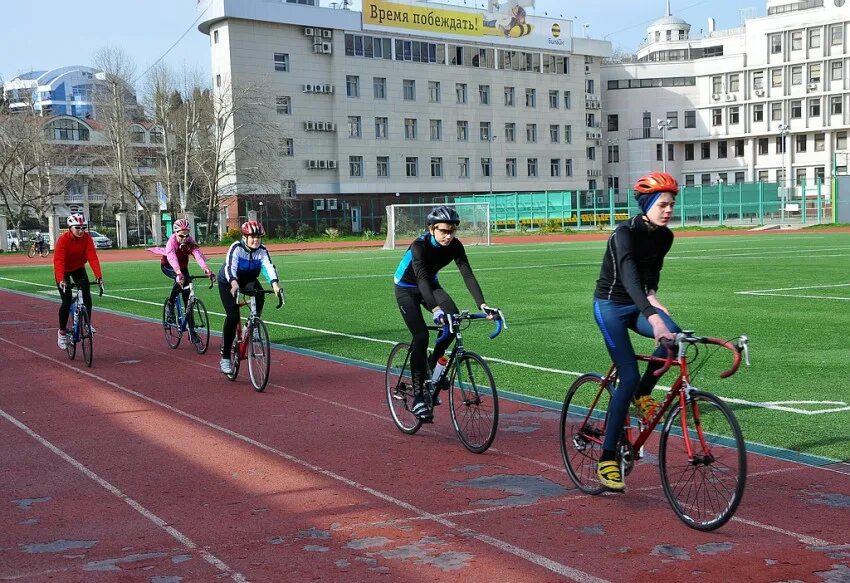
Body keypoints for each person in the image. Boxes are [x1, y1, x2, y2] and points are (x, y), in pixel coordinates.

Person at [592, 171, 682, 492]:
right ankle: (606, 458)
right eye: (662, 204)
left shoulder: (665, 237)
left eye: (672, 204)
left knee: (674, 341)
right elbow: (630, 279)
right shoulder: (624, 234)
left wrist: (656, 300)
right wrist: (652, 316)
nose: (669, 210)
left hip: (639, 303)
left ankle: (643, 394)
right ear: (646, 204)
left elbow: (650, 276)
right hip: (611, 307)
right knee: (626, 376)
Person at [393, 205, 497, 420]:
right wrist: (435, 309)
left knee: (454, 323)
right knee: (421, 336)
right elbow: (420, 278)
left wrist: (482, 305)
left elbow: (467, 273)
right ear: (431, 228)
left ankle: (432, 367)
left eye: (452, 231)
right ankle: (419, 395)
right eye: (443, 231)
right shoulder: (419, 246)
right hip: (406, 288)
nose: (448, 236)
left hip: (430, 286)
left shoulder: (455, 246)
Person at [217, 220, 282, 374]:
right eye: (252, 236)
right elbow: (229, 268)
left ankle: (251, 327)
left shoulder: (262, 250)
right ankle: (225, 357)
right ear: (244, 237)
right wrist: (233, 283)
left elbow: (268, 267)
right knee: (233, 317)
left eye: (259, 237)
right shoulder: (236, 248)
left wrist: (275, 285)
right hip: (228, 281)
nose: (256, 240)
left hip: (248, 280)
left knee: (259, 295)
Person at [151, 218, 214, 344]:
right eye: (181, 236)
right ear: (175, 233)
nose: (184, 238)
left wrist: (206, 269)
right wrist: (178, 273)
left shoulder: (190, 241)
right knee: (180, 280)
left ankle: (192, 331)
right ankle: (170, 304)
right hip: (169, 266)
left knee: (187, 300)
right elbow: (173, 259)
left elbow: (197, 255)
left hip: (183, 267)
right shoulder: (171, 243)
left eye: (187, 235)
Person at [54, 213, 103, 349]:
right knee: (67, 299)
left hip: (78, 268)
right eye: (78, 228)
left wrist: (98, 277)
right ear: (70, 227)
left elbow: (92, 257)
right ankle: (62, 333)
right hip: (63, 270)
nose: (81, 231)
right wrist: (61, 279)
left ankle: (87, 324)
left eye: (83, 228)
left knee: (86, 294)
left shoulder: (87, 238)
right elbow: (59, 261)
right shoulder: (63, 240)